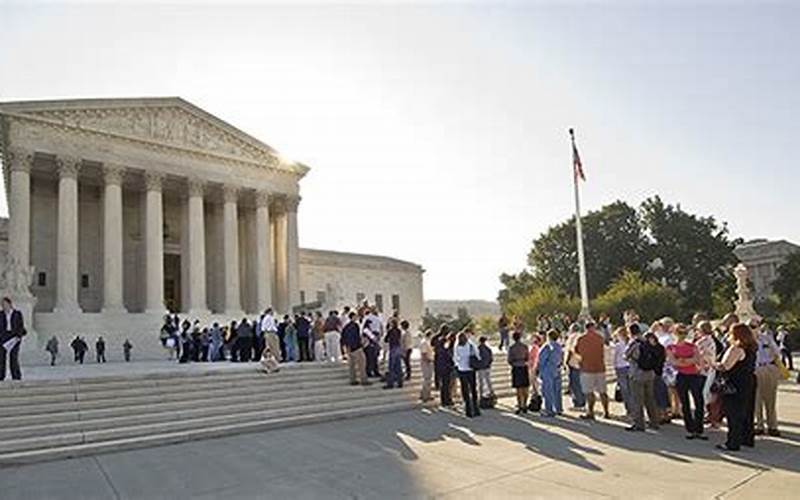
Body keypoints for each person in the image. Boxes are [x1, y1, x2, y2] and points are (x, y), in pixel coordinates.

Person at [715, 323, 757, 451]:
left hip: (734, 383)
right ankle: (747, 438)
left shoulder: (735, 349)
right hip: (748, 381)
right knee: (747, 411)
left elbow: (725, 366)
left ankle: (732, 442)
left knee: (733, 413)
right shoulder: (751, 347)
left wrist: (713, 364)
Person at [667, 324, 707, 440]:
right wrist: (688, 360)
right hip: (681, 376)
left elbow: (697, 359)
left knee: (699, 402)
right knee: (685, 403)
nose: (681, 335)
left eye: (683, 333)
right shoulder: (670, 347)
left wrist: (682, 360)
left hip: (694, 375)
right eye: (679, 332)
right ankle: (690, 428)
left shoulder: (692, 346)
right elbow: (673, 362)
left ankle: (699, 429)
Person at [624, 324, 660, 431]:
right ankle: (654, 422)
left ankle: (639, 423)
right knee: (650, 398)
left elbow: (626, 355)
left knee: (637, 399)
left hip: (636, 374)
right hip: (649, 374)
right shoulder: (647, 340)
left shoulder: (634, 343)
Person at [575, 322, 609, 420]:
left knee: (589, 392)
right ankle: (606, 412)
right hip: (600, 367)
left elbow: (577, 352)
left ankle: (591, 412)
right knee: (603, 392)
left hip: (587, 368)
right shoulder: (600, 338)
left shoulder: (581, 339)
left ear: (586, 328)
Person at [753, 320, 781, 437]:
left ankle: (772, 425)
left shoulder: (767, 338)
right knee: (756, 399)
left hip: (768, 367)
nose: (753, 329)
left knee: (770, 399)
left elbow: (777, 352)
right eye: (751, 326)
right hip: (755, 369)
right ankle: (759, 425)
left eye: (755, 326)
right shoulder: (747, 340)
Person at [453, 331, 481, 417]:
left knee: (465, 389)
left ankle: (468, 410)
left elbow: (455, 358)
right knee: (473, 389)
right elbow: (478, 355)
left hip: (462, 369)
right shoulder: (471, 345)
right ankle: (476, 409)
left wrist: (459, 363)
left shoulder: (457, 346)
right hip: (471, 369)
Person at [538, 329, 564, 417]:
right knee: (557, 390)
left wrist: (539, 370)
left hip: (548, 370)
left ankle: (549, 410)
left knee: (548, 390)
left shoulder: (547, 346)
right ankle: (559, 408)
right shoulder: (559, 346)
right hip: (557, 369)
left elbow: (541, 359)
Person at [0, 297, 26, 380]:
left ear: (10, 304)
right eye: (2, 304)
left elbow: (20, 326)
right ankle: (1, 375)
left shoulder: (17, 314)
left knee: (13, 357)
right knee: (1, 357)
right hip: (4, 337)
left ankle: (16, 376)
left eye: (5, 304)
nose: (3, 306)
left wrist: (19, 336)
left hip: (15, 337)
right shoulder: (0, 314)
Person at [341, 312, 369, 386]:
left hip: (349, 348)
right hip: (356, 347)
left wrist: (346, 347)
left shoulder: (346, 326)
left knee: (351, 366)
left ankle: (353, 380)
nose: (356, 318)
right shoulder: (355, 325)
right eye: (355, 316)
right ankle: (363, 380)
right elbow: (355, 336)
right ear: (353, 317)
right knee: (362, 364)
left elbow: (343, 337)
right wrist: (360, 344)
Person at [612, 327, 633, 418]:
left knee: (625, 390)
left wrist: (614, 368)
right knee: (631, 389)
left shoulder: (618, 345)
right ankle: (634, 409)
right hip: (630, 367)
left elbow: (614, 358)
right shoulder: (630, 343)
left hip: (620, 368)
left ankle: (629, 410)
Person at [508, 331, 530, 414]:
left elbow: (509, 360)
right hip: (524, 366)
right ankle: (525, 404)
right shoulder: (525, 346)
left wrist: (514, 362)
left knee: (518, 388)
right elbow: (527, 357)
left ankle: (520, 405)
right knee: (525, 387)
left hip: (516, 367)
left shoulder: (512, 347)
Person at [564, 324, 586, 410]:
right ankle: (582, 401)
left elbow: (570, 350)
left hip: (573, 363)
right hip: (582, 363)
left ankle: (578, 403)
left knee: (575, 384)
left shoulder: (572, 337)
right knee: (581, 384)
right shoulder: (582, 336)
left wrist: (566, 362)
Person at [434, 325, 454, 406]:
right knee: (446, 385)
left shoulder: (439, 347)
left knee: (444, 385)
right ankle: (446, 400)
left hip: (441, 366)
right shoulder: (444, 349)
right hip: (445, 367)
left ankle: (445, 400)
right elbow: (449, 357)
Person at [383, 319, 404, 389]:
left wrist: (387, 330)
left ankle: (390, 383)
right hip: (398, 348)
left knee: (391, 367)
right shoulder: (399, 331)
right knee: (398, 367)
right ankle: (400, 382)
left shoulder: (390, 331)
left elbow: (385, 339)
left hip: (392, 348)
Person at [419, 329, 435, 402]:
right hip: (426, 362)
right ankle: (424, 395)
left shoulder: (427, 342)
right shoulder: (424, 342)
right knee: (427, 379)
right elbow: (424, 354)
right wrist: (429, 360)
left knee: (428, 379)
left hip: (429, 361)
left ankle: (427, 394)